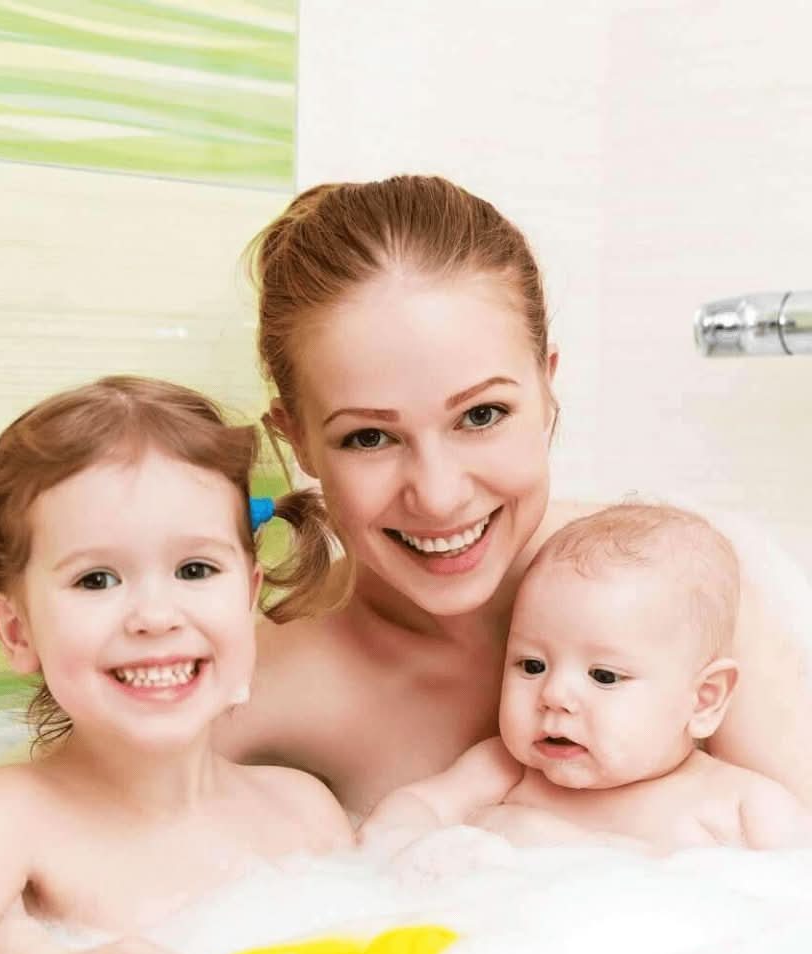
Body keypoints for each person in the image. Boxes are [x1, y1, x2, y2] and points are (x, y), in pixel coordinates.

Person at [217, 175, 812, 817]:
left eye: (481, 415)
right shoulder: (260, 689)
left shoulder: (682, 587)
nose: (440, 497)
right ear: (298, 439)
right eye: (368, 437)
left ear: (547, 384)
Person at [0, 376, 352, 954]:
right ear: (18, 631)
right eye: (96, 580)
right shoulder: (11, 819)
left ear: (249, 596)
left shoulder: (303, 813)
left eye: (195, 569)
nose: (155, 615)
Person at [359, 504, 812, 854]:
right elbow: (414, 810)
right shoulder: (506, 771)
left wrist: (556, 842)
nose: (554, 695)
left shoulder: (744, 808)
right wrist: (402, 850)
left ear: (703, 701)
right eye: (532, 666)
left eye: (604, 676)